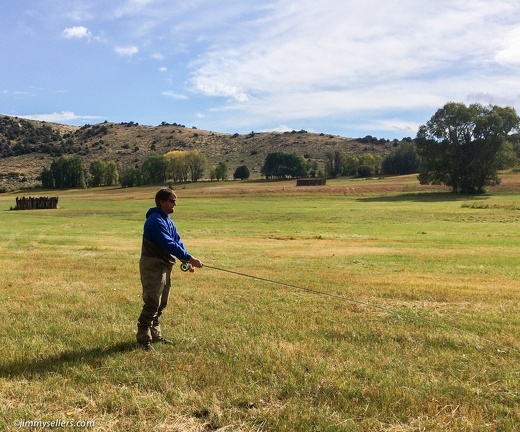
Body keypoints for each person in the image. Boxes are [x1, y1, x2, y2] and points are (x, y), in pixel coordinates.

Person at [136, 187, 203, 351]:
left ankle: (155, 334)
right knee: (152, 301)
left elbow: (177, 243)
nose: (175, 204)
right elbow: (168, 244)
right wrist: (190, 258)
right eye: (172, 201)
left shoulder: (168, 221)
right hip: (152, 265)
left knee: (162, 302)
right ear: (162, 202)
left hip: (165, 265)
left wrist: (188, 261)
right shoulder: (155, 221)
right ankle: (143, 338)